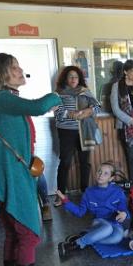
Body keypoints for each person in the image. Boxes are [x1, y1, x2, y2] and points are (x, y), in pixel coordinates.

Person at [0, 53, 62, 266]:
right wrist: (59, 93)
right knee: (28, 234)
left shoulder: (3, 101)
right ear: (0, 75)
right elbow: (40, 106)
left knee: (13, 235)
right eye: (13, 67)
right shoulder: (3, 99)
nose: (20, 70)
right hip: (13, 176)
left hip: (9, 174)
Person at [56, 162, 129, 260]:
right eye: (99, 171)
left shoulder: (118, 191)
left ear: (111, 178)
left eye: (105, 173)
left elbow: (123, 208)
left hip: (114, 223)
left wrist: (124, 213)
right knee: (107, 228)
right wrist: (65, 200)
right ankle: (75, 244)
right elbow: (79, 212)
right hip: (99, 222)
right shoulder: (89, 192)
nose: (100, 175)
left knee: (117, 238)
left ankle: (86, 237)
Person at [53, 65, 101, 205]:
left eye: (76, 76)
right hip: (66, 132)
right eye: (70, 76)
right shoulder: (58, 93)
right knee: (65, 162)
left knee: (84, 163)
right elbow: (57, 113)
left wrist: (88, 111)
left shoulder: (85, 91)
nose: (73, 79)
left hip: (84, 131)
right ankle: (60, 195)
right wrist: (70, 114)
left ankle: (85, 192)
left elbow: (98, 106)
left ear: (79, 78)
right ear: (65, 78)